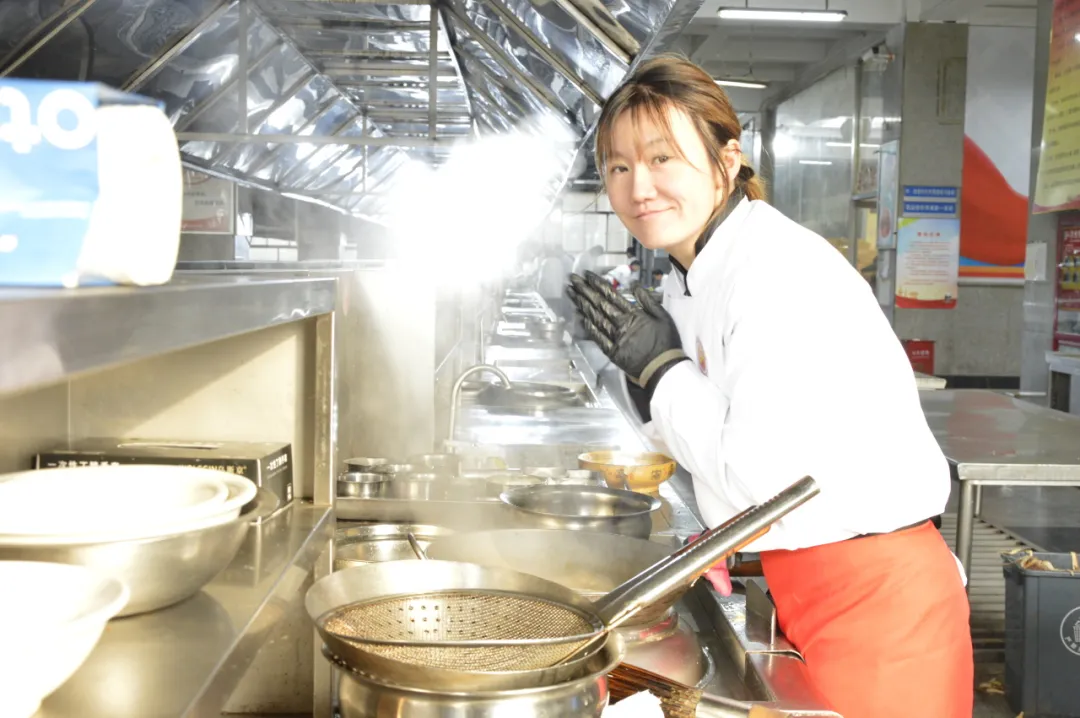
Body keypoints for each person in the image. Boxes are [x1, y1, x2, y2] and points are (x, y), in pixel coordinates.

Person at [566, 55, 972, 718]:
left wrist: (661, 369)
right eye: (618, 167)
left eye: (663, 158)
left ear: (726, 161)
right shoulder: (696, 270)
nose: (640, 186)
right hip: (806, 585)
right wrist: (648, 390)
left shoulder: (774, 271)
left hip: (877, 605)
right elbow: (718, 432)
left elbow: (759, 475)